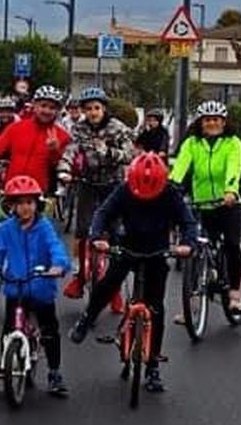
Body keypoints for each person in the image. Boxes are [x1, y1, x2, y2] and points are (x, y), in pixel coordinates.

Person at [71, 154, 198, 394]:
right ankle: (87, 319)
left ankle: (152, 367)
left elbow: (187, 221)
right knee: (108, 284)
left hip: (157, 251)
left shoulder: (171, 193)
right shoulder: (124, 189)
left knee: (156, 307)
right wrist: (97, 236)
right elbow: (103, 213)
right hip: (127, 246)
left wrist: (188, 243)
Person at [0, 175, 72, 395]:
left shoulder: (44, 227)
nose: (25, 208)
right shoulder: (6, 228)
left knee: (49, 331)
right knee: (8, 330)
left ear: (37, 204)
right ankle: (7, 363)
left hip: (41, 287)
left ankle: (54, 372)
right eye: (19, 203)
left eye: (29, 202)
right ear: (11, 206)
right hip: (16, 287)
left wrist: (58, 266)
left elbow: (55, 248)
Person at [55, 86, 135, 302]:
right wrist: (64, 169)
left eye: (97, 108)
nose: (92, 112)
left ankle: (115, 289)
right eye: (88, 108)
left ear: (104, 109)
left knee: (115, 234)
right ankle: (80, 278)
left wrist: (107, 151)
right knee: (82, 232)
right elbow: (71, 150)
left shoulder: (117, 128)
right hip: (88, 183)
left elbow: (130, 154)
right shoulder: (79, 129)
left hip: (113, 185)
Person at [169, 101, 241, 316]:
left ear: (223, 122)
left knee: (232, 244)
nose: (211, 123)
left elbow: (235, 167)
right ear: (200, 123)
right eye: (207, 120)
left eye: (216, 120)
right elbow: (180, 167)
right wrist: (171, 188)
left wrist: (231, 190)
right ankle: (192, 303)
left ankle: (234, 292)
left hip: (228, 202)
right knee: (195, 248)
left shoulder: (233, 143)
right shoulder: (192, 143)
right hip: (201, 202)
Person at [0, 84, 70, 195]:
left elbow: (62, 166)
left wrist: (54, 150)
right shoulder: (16, 128)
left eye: (52, 108)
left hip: (40, 193)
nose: (47, 111)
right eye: (43, 106)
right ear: (34, 105)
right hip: (11, 188)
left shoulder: (62, 136)